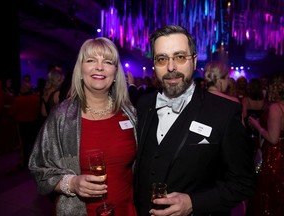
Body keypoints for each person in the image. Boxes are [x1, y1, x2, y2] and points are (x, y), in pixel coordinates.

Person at [133, 25, 256, 216]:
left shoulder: (224, 112)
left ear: (194, 60)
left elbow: (243, 183)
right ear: (154, 64)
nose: (171, 67)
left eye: (180, 57)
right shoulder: (143, 104)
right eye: (162, 59)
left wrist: (193, 203)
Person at [28, 37, 138, 215]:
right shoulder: (62, 116)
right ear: (80, 70)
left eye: (108, 62)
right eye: (91, 60)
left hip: (127, 209)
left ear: (116, 73)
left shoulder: (130, 113)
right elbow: (38, 167)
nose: (99, 67)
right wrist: (71, 183)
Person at [247, 71, 284, 216]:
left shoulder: (276, 108)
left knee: (269, 194)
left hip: (275, 156)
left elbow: (273, 139)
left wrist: (257, 126)